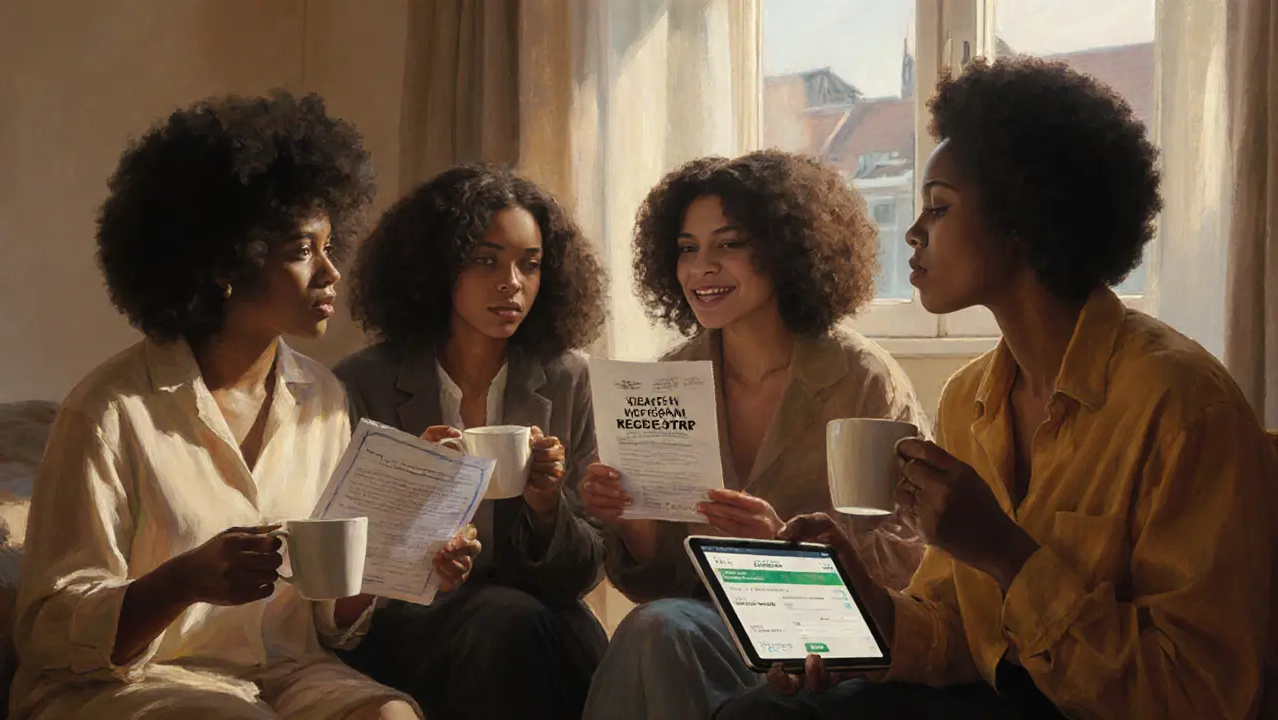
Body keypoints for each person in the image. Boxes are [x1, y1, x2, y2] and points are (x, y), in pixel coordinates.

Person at [717, 56, 1278, 720]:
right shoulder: (969, 399)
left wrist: (1008, 554)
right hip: (992, 700)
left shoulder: (1183, 407)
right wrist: (868, 605)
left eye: (940, 208)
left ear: (1023, 217)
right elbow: (957, 634)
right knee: (760, 712)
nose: (913, 232)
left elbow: (1200, 697)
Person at [10, 91, 482, 720]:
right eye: (301, 250)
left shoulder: (324, 400)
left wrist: (403, 554)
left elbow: (327, 619)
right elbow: (48, 632)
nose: (331, 273)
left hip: (286, 675)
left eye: (329, 245)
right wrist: (182, 583)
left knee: (392, 716)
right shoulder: (110, 412)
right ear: (227, 264)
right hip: (131, 684)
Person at [579, 149, 929, 720]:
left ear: (784, 249)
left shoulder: (862, 378)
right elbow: (662, 586)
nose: (702, 268)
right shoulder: (666, 382)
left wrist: (786, 547)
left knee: (659, 635)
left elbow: (910, 558)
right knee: (657, 627)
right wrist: (635, 526)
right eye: (688, 249)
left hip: (828, 640)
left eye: (729, 243)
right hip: (704, 633)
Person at [332, 163, 610, 720]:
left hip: (530, 618)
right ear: (438, 266)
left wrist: (547, 505)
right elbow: (343, 564)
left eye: (529, 266)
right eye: (486, 260)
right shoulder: (363, 382)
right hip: (407, 622)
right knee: (506, 620)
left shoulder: (568, 379)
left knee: (570, 635)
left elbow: (584, 571)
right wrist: (419, 491)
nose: (512, 283)